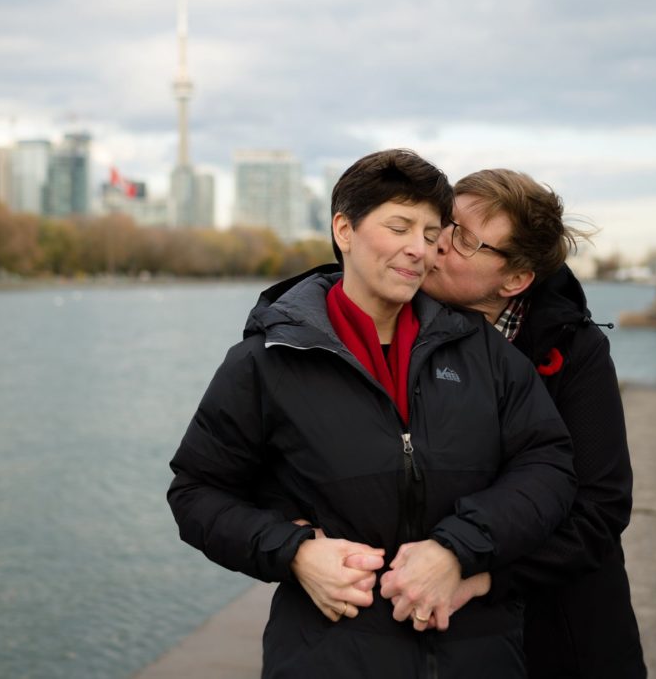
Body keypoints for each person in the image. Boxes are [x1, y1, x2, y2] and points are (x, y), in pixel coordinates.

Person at [167, 150, 576, 678]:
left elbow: (548, 466)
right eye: (399, 227)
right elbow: (197, 493)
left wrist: (457, 550)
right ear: (344, 229)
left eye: (432, 234)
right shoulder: (266, 362)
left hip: (477, 654)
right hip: (328, 657)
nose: (418, 250)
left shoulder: (483, 353)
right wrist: (294, 552)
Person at [411, 168, 647, 677]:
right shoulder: (393, 325)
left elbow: (600, 510)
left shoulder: (572, 349)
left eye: (466, 239)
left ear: (514, 280)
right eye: (444, 223)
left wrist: (484, 575)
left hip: (563, 632)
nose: (440, 243)